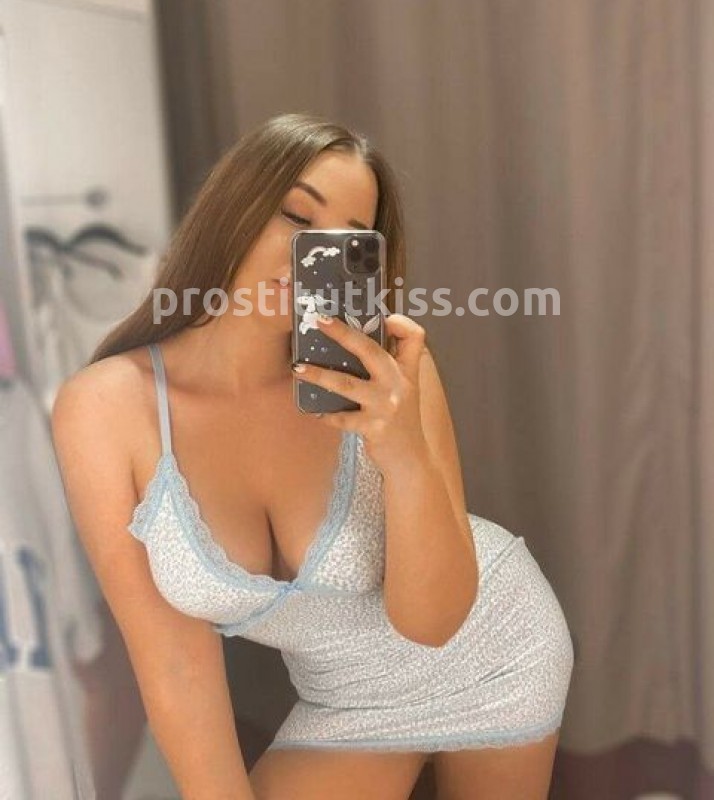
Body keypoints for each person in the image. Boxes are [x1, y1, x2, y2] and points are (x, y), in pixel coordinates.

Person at [50, 113, 574, 800]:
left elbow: (433, 622)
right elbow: (174, 667)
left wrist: (403, 453)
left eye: (345, 243)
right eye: (297, 217)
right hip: (341, 700)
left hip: (493, 643)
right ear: (231, 208)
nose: (310, 256)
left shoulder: (389, 376)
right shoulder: (105, 408)